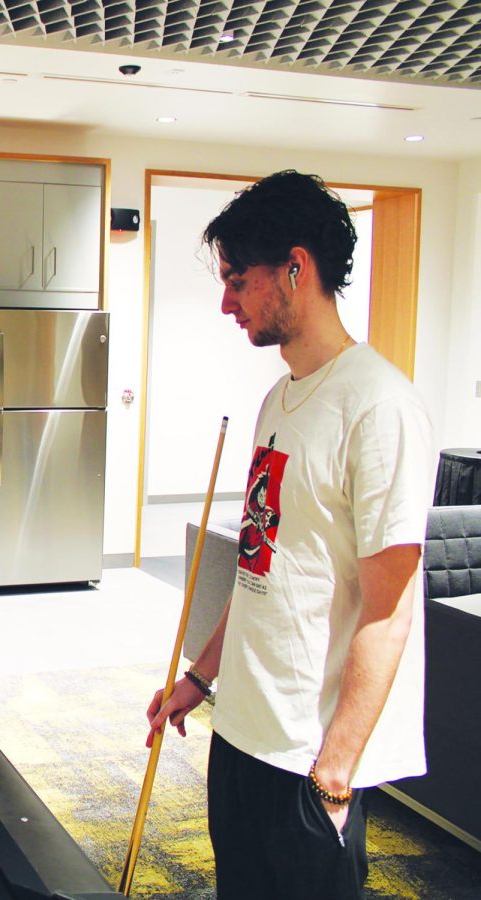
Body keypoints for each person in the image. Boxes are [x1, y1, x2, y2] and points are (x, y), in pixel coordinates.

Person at [146, 171, 434, 899]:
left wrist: (334, 777)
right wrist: (201, 676)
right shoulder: (278, 399)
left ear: (296, 268)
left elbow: (390, 608)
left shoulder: (379, 405)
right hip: (242, 733)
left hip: (306, 759)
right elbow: (261, 567)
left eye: (239, 280)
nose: (226, 301)